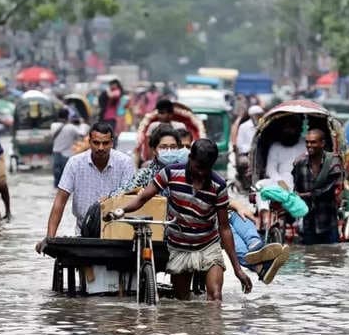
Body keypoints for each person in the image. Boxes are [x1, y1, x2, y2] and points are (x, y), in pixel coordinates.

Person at [106, 139, 253, 301]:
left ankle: (214, 326)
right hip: (179, 246)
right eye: (198, 167)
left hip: (208, 245)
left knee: (215, 296)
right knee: (182, 301)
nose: (201, 174)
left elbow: (225, 228)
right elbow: (143, 198)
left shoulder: (218, 185)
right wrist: (122, 210)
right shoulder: (170, 173)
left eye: (206, 169)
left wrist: (238, 269)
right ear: (190, 158)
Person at [36, 122, 134, 246]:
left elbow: (130, 198)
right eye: (96, 143)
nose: (101, 148)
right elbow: (60, 202)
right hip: (84, 232)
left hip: (117, 230)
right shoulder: (75, 163)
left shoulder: (125, 163)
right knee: (84, 262)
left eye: (105, 143)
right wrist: (50, 238)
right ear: (89, 141)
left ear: (112, 143)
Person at [292, 129, 344, 245]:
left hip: (327, 221)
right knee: (310, 257)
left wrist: (306, 195)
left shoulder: (333, 161)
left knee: (333, 255)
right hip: (308, 221)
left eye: (313, 142)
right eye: (307, 142)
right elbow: (297, 187)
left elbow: (330, 189)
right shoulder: (300, 163)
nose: (309, 145)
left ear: (322, 143)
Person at [255, 117, 306, 227]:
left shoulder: (306, 144)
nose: (289, 131)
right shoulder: (275, 146)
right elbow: (270, 169)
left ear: (298, 129)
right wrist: (279, 181)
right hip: (280, 183)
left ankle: (301, 224)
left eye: (292, 128)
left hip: (301, 182)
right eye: (286, 128)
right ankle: (265, 216)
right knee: (259, 186)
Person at [111, 124, 188, 196]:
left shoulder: (185, 174)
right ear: (154, 150)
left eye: (173, 147)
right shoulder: (144, 175)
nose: (169, 151)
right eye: (163, 147)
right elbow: (117, 194)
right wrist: (135, 192)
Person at [228, 199, 289, 284]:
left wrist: (240, 208)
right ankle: (261, 266)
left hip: (229, 214)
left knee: (240, 217)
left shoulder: (216, 188)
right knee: (229, 233)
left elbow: (230, 201)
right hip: (215, 224)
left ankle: (255, 247)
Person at [51, 108, 83, 188]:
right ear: (68, 116)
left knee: (57, 179)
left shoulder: (53, 126)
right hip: (67, 155)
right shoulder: (72, 127)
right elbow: (80, 136)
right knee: (66, 180)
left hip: (56, 154)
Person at [235, 105, 264, 187]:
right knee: (244, 162)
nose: (259, 117)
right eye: (257, 115)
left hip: (261, 153)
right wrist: (250, 149)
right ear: (251, 116)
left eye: (260, 114)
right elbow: (240, 144)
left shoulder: (264, 125)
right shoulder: (244, 126)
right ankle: (247, 183)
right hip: (247, 154)